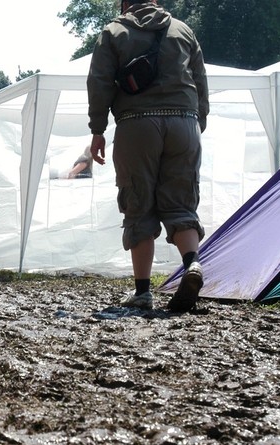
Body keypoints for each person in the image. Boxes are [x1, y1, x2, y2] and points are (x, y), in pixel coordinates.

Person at [87, 0, 208, 312]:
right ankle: (192, 264)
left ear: (125, 3)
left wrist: (98, 129)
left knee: (138, 202)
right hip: (184, 122)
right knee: (181, 201)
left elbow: (99, 82)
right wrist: (198, 120)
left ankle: (143, 292)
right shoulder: (183, 30)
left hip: (136, 124)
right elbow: (200, 79)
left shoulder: (113, 31)